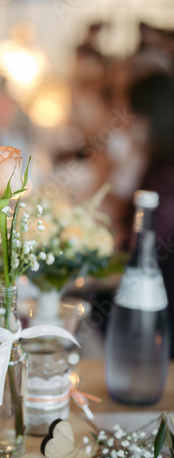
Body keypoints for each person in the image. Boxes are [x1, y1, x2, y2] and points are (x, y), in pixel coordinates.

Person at [128, 71, 174, 357]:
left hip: (160, 294)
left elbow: (148, 241)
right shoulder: (157, 161)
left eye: (136, 118)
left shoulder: (166, 173)